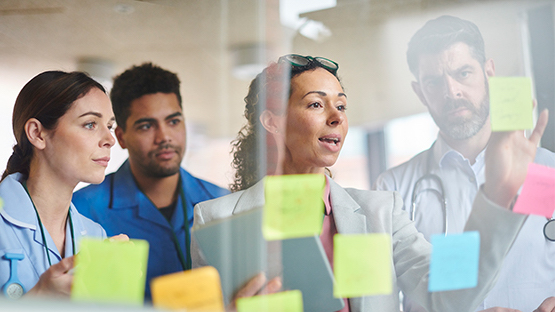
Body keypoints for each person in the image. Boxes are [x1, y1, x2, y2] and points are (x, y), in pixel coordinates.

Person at [191, 54, 548, 312]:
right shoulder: (216, 220)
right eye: (316, 104)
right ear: (273, 122)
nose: (336, 118)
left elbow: (446, 294)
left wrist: (497, 198)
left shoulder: (382, 212)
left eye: (342, 106)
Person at [373, 16, 555, 312]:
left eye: (463, 73)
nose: (452, 92)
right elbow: (382, 304)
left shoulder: (547, 172)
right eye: (434, 81)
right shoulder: (393, 190)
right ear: (420, 91)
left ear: (489, 73)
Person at [72, 63, 229, 301]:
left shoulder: (222, 203)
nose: (164, 137)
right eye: (146, 126)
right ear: (121, 138)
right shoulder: (81, 211)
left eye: (173, 121)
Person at [0, 71, 124, 298]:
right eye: (90, 124)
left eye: (109, 125)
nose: (110, 139)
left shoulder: (95, 236)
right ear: (37, 134)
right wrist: (37, 299)